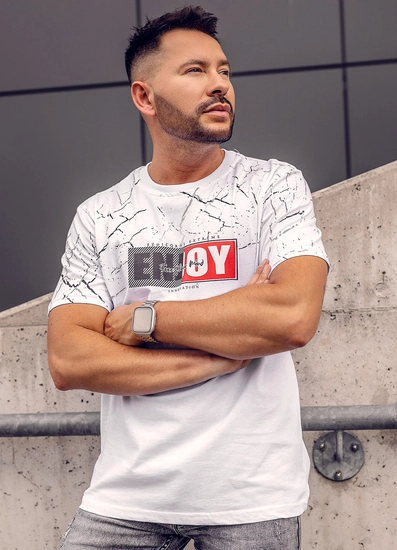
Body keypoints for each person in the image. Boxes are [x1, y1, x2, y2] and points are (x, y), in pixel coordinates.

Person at [47, 6, 329, 550]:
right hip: (125, 500)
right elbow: (69, 359)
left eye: (224, 70)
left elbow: (292, 316)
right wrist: (224, 353)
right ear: (145, 96)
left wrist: (146, 319)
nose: (220, 83)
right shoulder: (101, 215)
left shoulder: (273, 186)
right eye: (195, 70)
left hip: (251, 501)